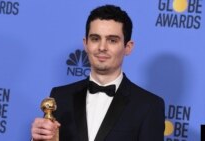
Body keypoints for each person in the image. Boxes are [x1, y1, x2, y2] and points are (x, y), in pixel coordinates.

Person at [31, 4, 165, 141]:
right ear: (86, 44)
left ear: (128, 47)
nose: (102, 47)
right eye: (95, 39)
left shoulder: (149, 106)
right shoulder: (60, 97)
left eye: (112, 40)